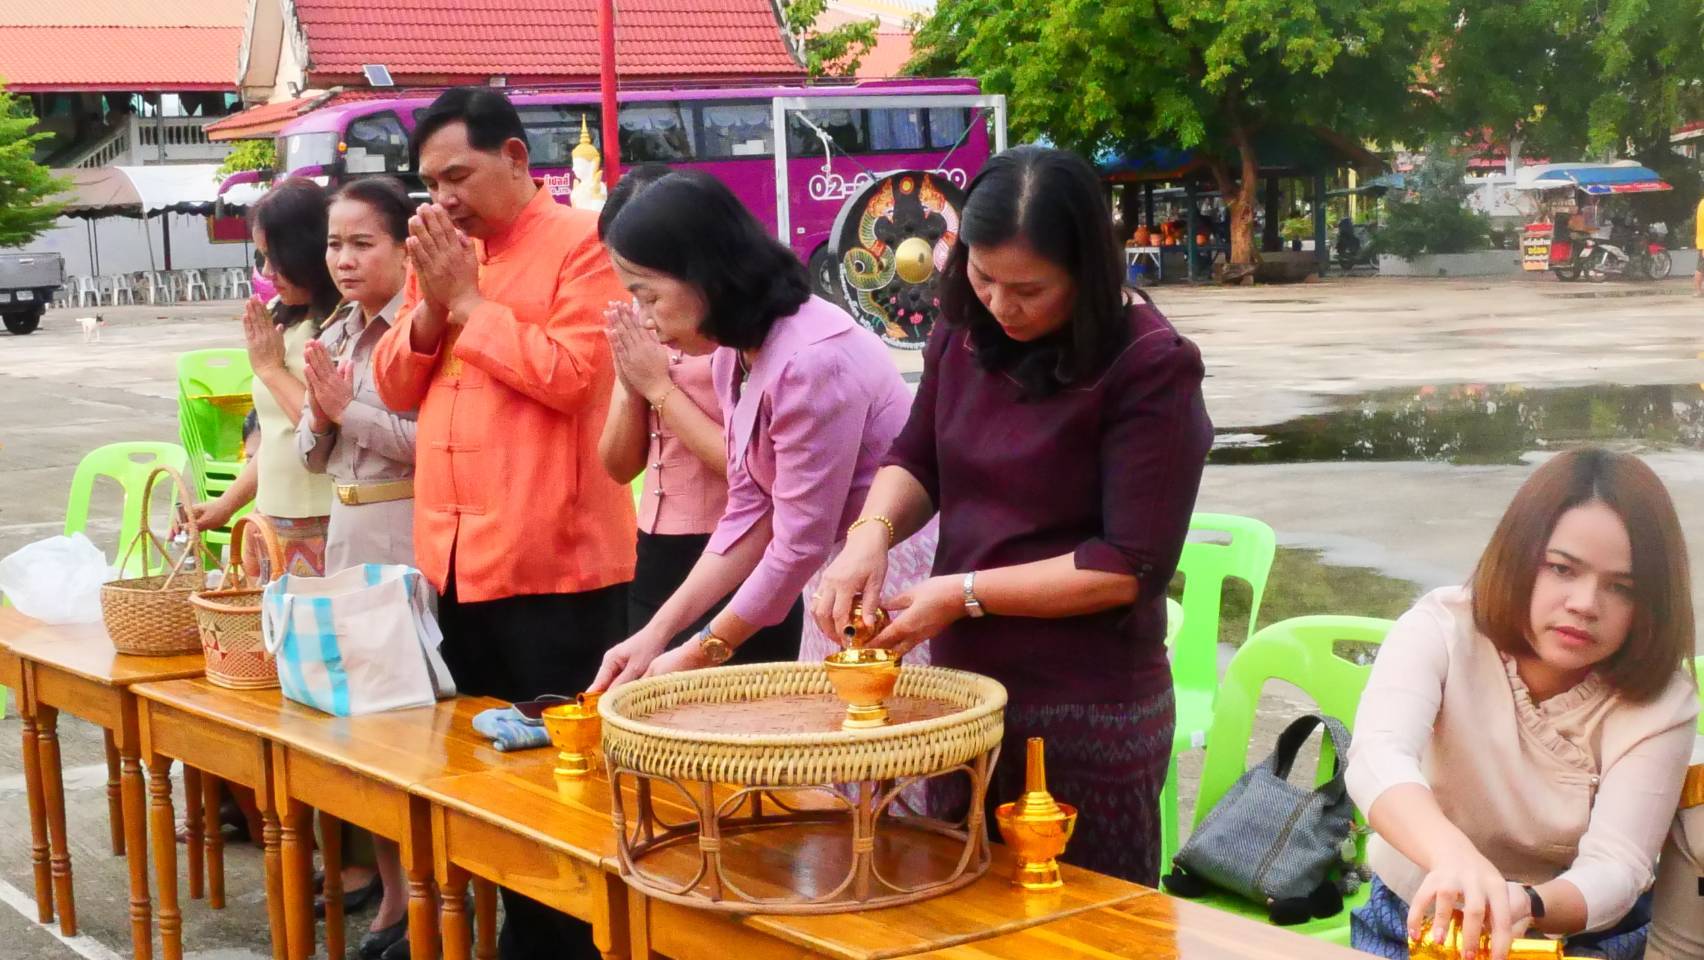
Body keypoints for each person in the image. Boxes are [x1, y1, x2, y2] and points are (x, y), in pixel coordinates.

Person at [811, 145, 1213, 887]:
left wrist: (960, 593)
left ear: (1087, 272)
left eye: (1029, 289)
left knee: (1080, 925)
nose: (1001, 305)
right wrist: (867, 538)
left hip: (1088, 708)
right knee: (957, 907)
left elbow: (1125, 566)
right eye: (983, 276)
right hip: (964, 693)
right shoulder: (965, 333)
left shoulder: (1151, 364)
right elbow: (917, 457)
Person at [370, 86, 633, 960]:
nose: (441, 198)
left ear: (518, 160)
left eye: (457, 175)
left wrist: (470, 303)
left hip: (553, 567)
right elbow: (396, 387)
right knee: (478, 785)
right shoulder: (441, 255)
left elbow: (570, 377)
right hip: (454, 560)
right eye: (428, 182)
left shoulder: (584, 245)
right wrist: (439, 302)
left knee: (560, 797)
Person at [1347, 449, 1699, 960]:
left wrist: (1524, 904)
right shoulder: (1442, 629)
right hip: (1415, 918)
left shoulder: (1661, 703)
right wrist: (1454, 858)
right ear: (1518, 554)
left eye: (1621, 588)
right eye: (1561, 568)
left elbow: (1617, 867)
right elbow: (1378, 756)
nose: (1584, 603)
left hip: (1576, 939)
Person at [588, 170, 915, 690]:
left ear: (704, 276)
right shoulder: (732, 355)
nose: (644, 319)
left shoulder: (810, 361)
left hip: (887, 579)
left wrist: (698, 652)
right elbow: (748, 510)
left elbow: (797, 543)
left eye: (648, 297)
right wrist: (655, 635)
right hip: (833, 582)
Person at [594, 165, 802, 662]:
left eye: (647, 287)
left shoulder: (729, 337)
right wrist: (629, 386)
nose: (640, 305)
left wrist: (659, 387)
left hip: (737, 545)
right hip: (658, 544)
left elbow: (751, 472)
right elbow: (620, 467)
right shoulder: (650, 322)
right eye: (632, 289)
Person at [295, 176, 418, 960]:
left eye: (362, 242)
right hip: (346, 529)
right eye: (335, 243)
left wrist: (345, 411)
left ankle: (413, 902)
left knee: (408, 725)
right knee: (361, 728)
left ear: (406, 247)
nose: (343, 259)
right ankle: (390, 894)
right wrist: (316, 409)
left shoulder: (417, 329)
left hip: (403, 530)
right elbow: (315, 455)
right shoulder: (341, 329)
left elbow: (430, 441)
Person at [189, 177, 339, 579]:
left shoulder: (342, 324)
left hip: (323, 519)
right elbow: (276, 439)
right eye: (262, 258)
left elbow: (320, 429)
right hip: (274, 516)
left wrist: (272, 371)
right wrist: (226, 505)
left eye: (276, 258)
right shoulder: (282, 314)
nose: (268, 272)